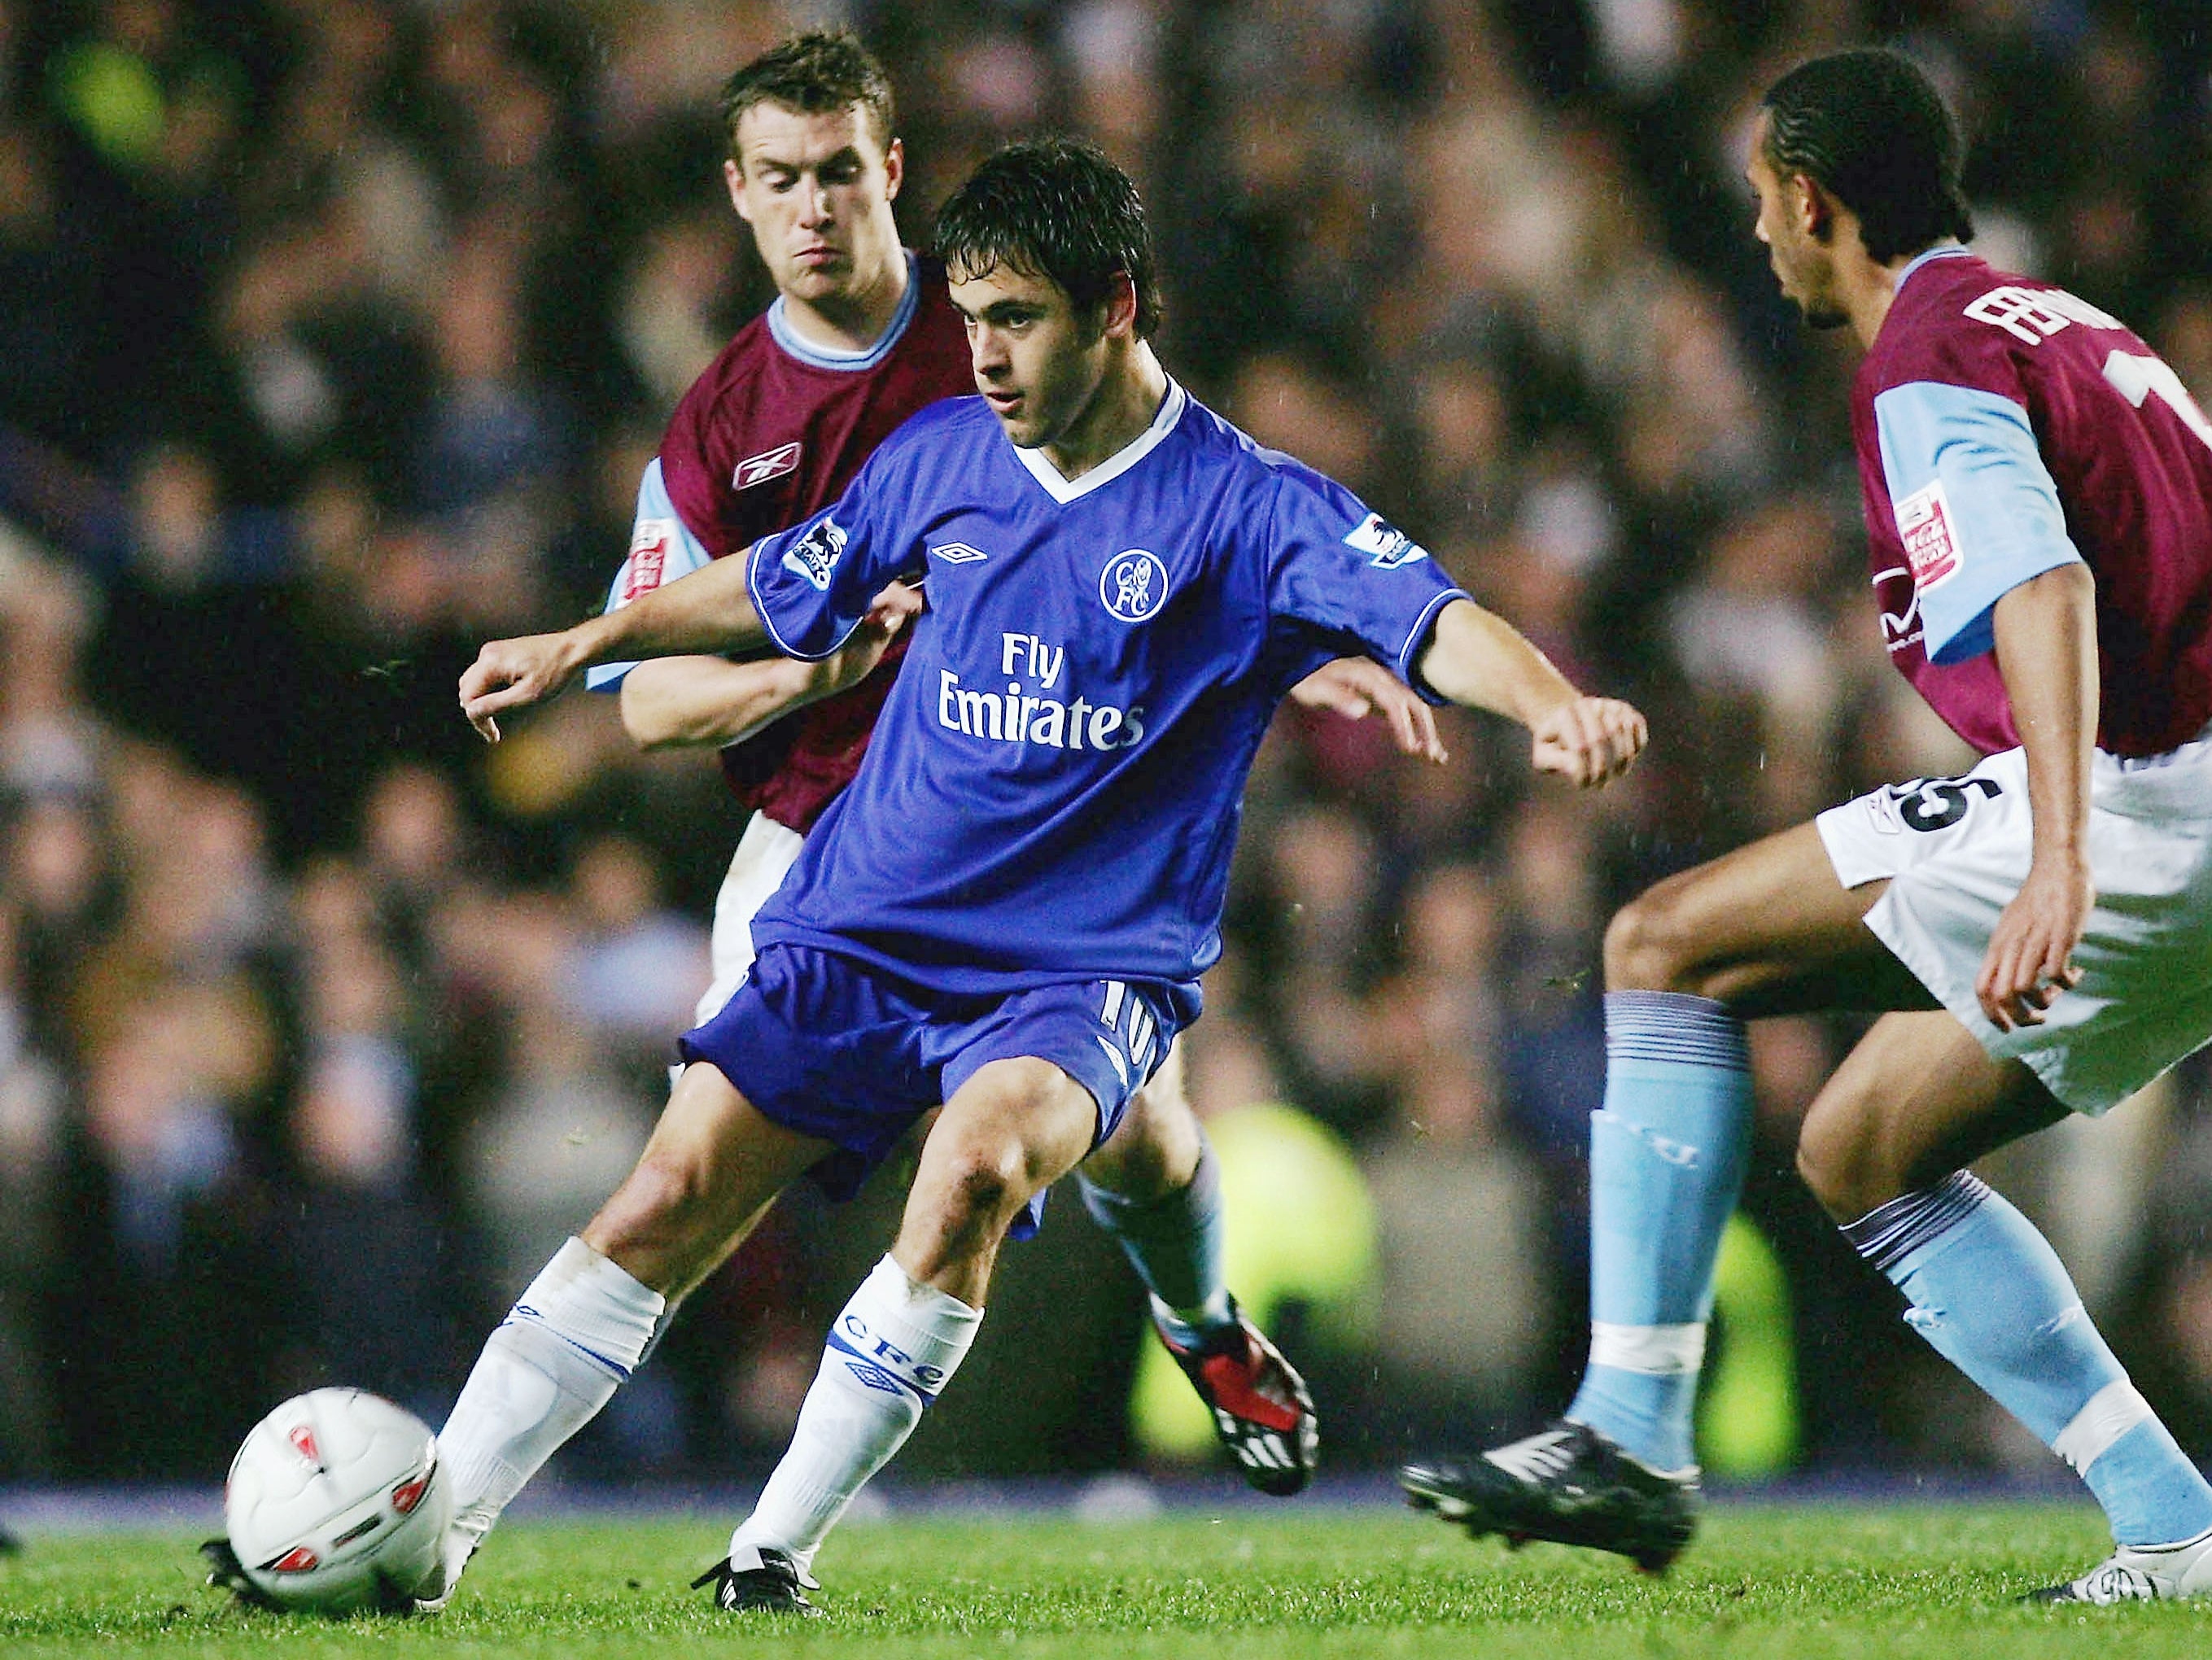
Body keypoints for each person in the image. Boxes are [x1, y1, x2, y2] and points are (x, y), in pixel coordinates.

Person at [450, 136, 1646, 1614]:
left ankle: (770, 1556)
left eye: (1016, 319)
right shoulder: (942, 456)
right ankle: (428, 1530)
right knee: (665, 1196)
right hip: (866, 922)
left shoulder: (1248, 502)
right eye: (968, 319)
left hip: (1078, 966)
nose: (986, 355)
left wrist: (1550, 705)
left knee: (974, 1169)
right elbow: (772, 582)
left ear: (1116, 308)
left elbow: (1437, 614)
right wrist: (583, 640)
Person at [571, 26, 1436, 1524]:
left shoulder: (999, 316)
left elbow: (1173, 532)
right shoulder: (717, 423)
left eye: (839, 172)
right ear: (736, 194)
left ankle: (1178, 1328)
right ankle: (745, 1422)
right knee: (706, 1160)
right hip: (825, 835)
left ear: (891, 174)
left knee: (1111, 1122)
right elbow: (649, 704)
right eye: (780, 180)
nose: (815, 211)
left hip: (1052, 823)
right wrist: (804, 676)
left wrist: (1291, 645)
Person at [1401, 47, 2212, 1606]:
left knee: (1662, 943)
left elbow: (2040, 581)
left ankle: (1627, 1428)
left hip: (2146, 790)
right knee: (1860, 1145)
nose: (1759, 235)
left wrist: (2059, 849)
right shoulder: (2058, 317)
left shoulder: (1923, 352)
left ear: (1809, 199)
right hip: (2186, 806)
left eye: (1763, 201)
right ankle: (2172, 1523)